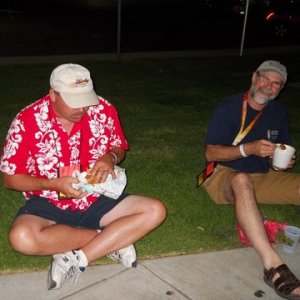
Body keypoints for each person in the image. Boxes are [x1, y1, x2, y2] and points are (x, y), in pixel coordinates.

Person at [0, 63, 167, 290]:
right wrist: (54, 184)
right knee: (21, 238)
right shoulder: (26, 121)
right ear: (53, 95)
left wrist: (110, 157)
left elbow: (119, 146)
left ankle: (77, 258)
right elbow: (10, 179)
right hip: (48, 201)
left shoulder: (103, 109)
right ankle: (112, 239)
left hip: (96, 196)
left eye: (86, 99)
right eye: (74, 101)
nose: (82, 108)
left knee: (155, 210)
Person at [202, 60, 300, 300]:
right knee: (242, 180)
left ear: (280, 89)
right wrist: (250, 149)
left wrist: (282, 161)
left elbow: (279, 148)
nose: (269, 86)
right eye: (265, 78)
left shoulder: (278, 112)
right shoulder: (230, 107)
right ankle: (273, 266)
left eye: (276, 83)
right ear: (254, 78)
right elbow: (211, 153)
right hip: (223, 174)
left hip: (263, 175)